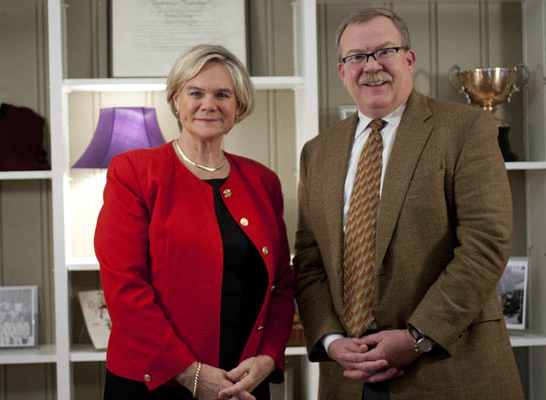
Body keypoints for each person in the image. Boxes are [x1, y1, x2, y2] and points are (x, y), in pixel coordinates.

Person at [293, 7, 524, 400]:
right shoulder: (318, 152)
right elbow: (310, 259)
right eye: (356, 57)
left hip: (449, 369)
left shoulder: (466, 129)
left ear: (409, 59)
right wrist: (331, 339)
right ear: (341, 71)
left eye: (385, 51)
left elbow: (486, 244)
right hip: (348, 377)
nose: (371, 66)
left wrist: (418, 336)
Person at [95, 44, 295, 400]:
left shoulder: (263, 181)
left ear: (239, 106)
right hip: (155, 381)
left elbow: (281, 283)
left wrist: (268, 357)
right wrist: (189, 374)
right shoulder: (134, 172)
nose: (209, 104)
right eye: (195, 92)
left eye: (222, 94)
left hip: (242, 382)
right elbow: (124, 287)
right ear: (176, 100)